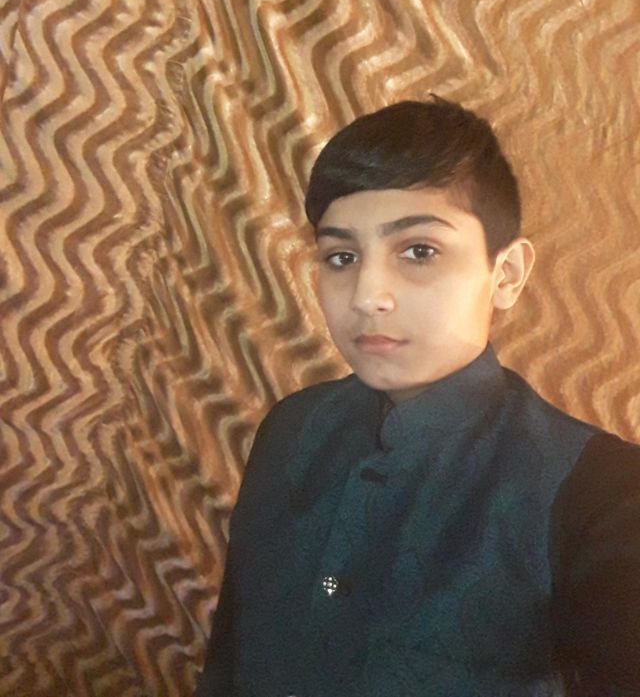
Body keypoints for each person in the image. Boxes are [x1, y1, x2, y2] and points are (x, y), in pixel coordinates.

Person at [195, 97, 640, 697]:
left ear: (506, 274)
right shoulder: (292, 428)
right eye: (341, 257)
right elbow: (229, 660)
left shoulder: (602, 492)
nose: (367, 295)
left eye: (419, 251)